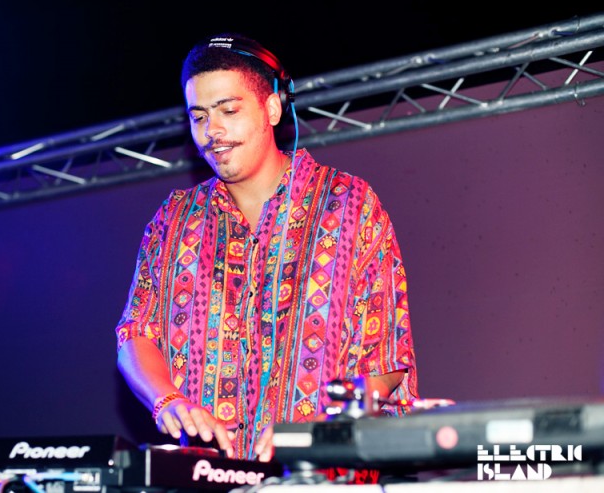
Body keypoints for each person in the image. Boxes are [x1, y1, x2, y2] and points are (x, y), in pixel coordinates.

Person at [115, 33, 418, 463]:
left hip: (325, 477)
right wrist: (167, 400)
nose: (212, 131)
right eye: (199, 116)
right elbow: (135, 334)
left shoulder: (347, 203)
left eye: (229, 111)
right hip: (210, 478)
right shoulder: (174, 220)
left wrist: (321, 428)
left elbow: (386, 359)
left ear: (273, 108)